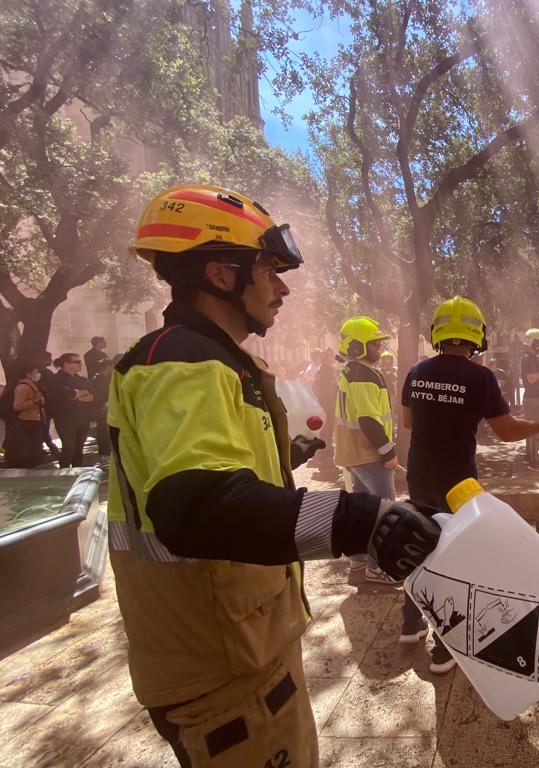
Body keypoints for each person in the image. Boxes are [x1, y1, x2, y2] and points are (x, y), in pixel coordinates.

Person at [108, 184, 441, 768]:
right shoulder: (185, 362)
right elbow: (198, 505)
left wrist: (282, 457)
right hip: (215, 655)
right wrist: (360, 520)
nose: (283, 288)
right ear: (220, 274)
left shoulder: (212, 358)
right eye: (268, 270)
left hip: (241, 638)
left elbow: (203, 471)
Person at [403, 296, 539, 675]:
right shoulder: (480, 378)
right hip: (458, 483)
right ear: (476, 334)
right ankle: (444, 649)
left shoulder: (415, 371)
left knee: (421, 543)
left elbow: (409, 422)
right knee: (454, 556)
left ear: (438, 332)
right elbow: (507, 431)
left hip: (419, 475)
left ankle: (409, 625)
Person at [335, 316, 398, 585]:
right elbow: (368, 420)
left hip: (353, 454)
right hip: (369, 453)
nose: (379, 349)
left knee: (360, 512)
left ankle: (358, 564)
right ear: (356, 346)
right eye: (373, 344)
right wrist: (388, 452)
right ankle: (377, 567)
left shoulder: (352, 371)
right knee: (385, 512)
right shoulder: (364, 375)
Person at [50, 352, 94, 467]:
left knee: (79, 448)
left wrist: (77, 395)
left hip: (82, 417)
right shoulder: (56, 379)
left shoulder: (82, 380)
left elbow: (92, 396)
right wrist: (81, 394)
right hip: (65, 419)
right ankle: (64, 471)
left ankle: (77, 471)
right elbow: (67, 394)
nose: (80, 364)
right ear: (66, 364)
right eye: (77, 362)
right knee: (69, 446)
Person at [4, 361, 46, 468]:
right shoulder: (23, 387)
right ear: (27, 374)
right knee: (29, 448)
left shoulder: (33, 386)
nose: (38, 374)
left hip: (34, 420)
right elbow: (18, 406)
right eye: (35, 372)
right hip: (26, 421)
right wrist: (34, 401)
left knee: (35, 447)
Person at [521, 328, 539, 469]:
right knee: (535, 430)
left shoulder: (531, 358)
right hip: (532, 399)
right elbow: (532, 379)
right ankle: (533, 460)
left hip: (534, 398)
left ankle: (530, 457)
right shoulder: (529, 358)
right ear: (535, 342)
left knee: (535, 429)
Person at [311, 348, 339, 473]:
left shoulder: (330, 371)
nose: (333, 358)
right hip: (326, 407)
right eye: (331, 356)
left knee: (328, 434)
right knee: (326, 434)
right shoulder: (322, 372)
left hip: (330, 407)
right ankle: (324, 460)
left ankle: (326, 459)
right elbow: (317, 390)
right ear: (326, 358)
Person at [90, 357, 114, 457]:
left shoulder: (106, 378)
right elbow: (97, 394)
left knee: (106, 430)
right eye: (111, 365)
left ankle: (107, 451)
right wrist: (102, 404)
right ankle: (104, 452)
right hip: (102, 408)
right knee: (102, 430)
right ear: (107, 366)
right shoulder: (98, 379)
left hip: (107, 406)